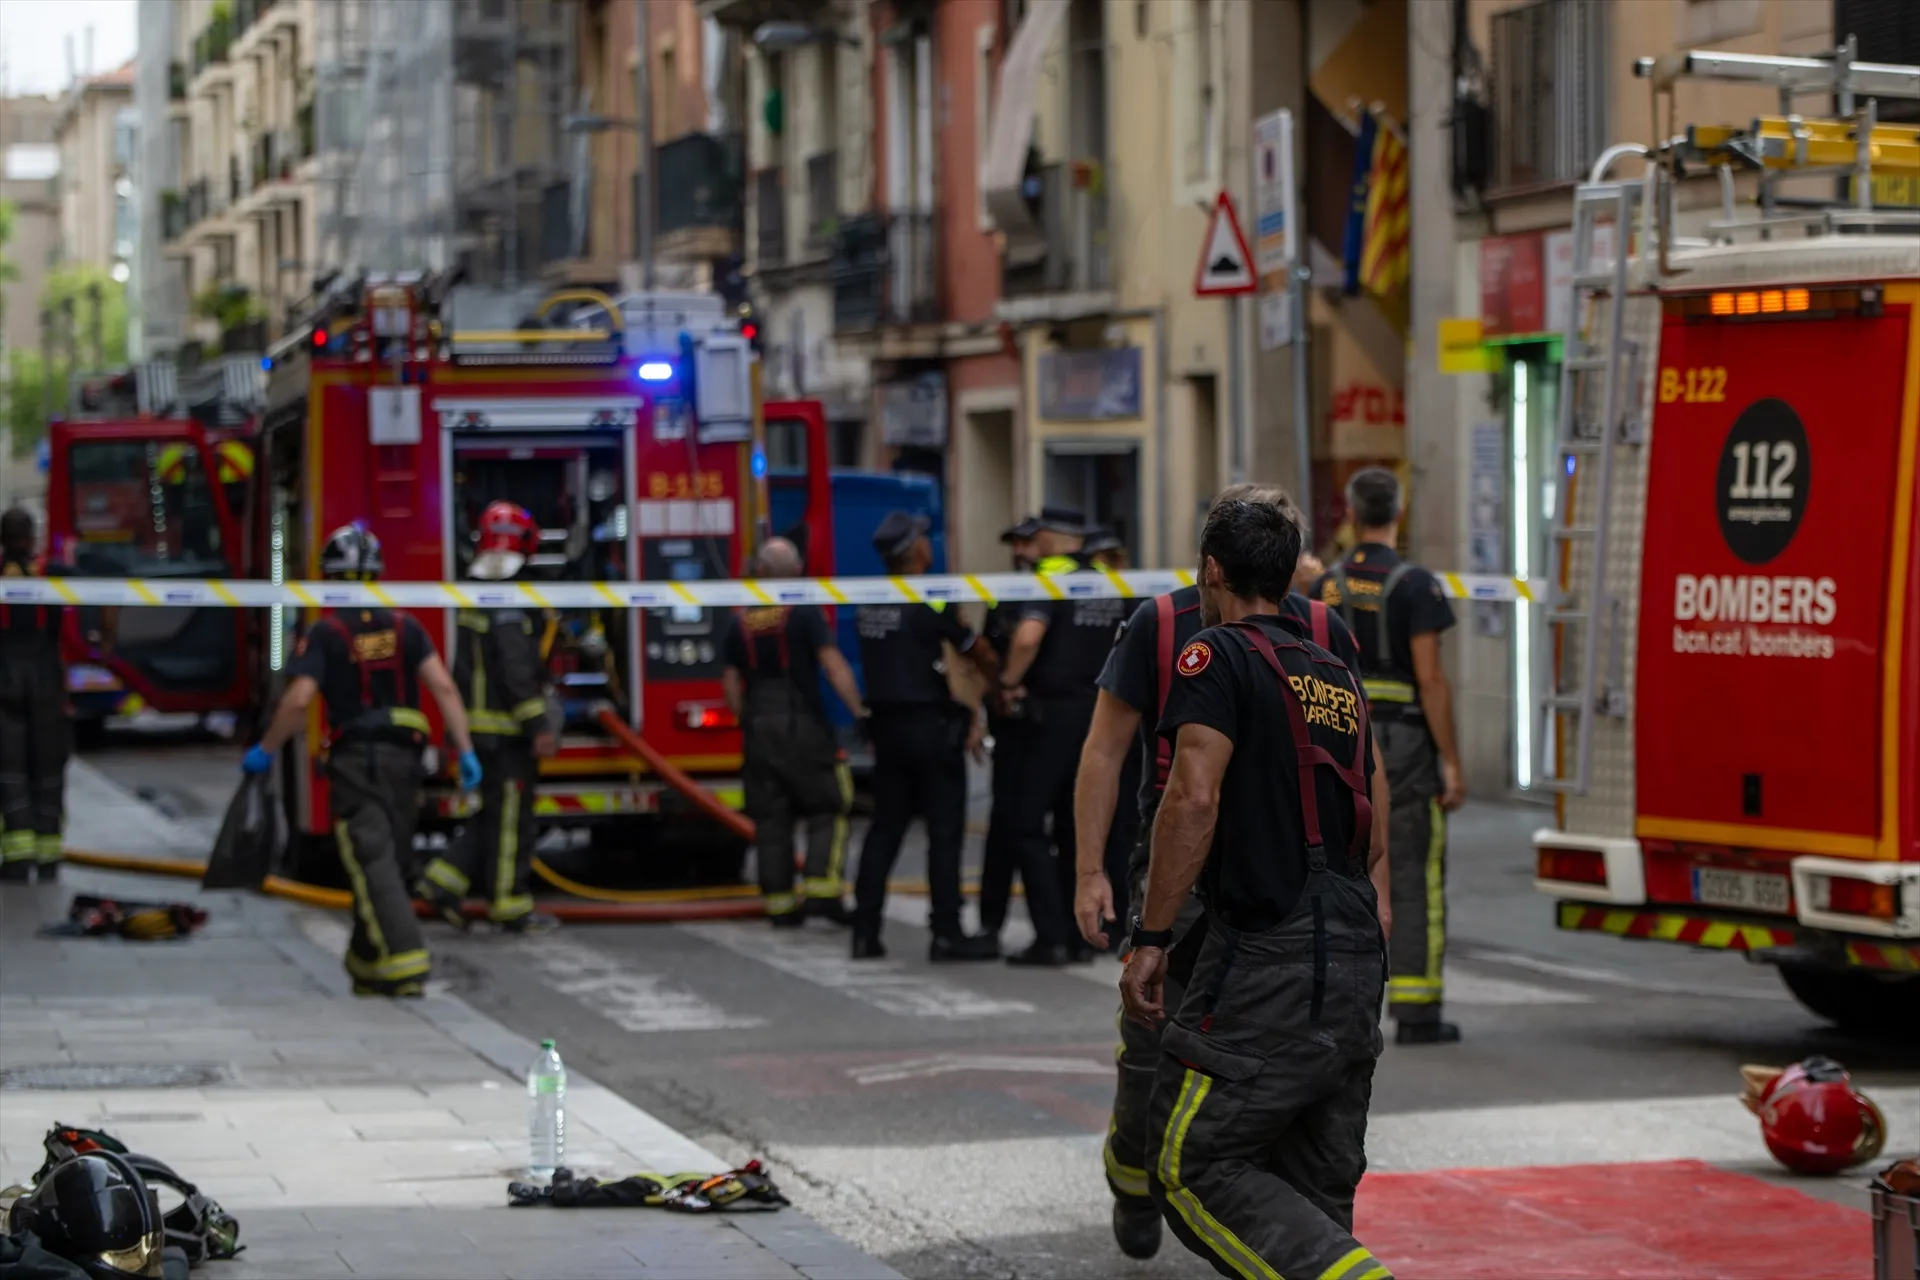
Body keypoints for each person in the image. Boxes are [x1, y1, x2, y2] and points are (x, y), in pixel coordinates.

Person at [1073, 484, 1386, 1261]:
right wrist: (1090, 871)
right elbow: (1106, 752)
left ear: (1212, 566)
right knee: (1310, 1159)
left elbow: (1194, 798)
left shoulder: (1221, 651)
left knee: (1199, 1151)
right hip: (1311, 913)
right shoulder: (1168, 627)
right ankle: (1130, 1181)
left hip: (1259, 899)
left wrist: (1151, 937)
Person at [244, 522, 479, 997]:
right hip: (406, 762)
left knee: (372, 859)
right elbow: (444, 687)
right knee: (389, 855)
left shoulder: (327, 633)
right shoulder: (406, 626)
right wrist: (466, 750)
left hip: (358, 763)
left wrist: (265, 749)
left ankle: (406, 960)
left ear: (329, 577)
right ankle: (366, 965)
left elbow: (299, 700)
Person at [1313, 466, 1465, 1045]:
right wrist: (1450, 760)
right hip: (1402, 745)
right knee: (1412, 870)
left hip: (1336, 735)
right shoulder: (1415, 585)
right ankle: (1417, 1008)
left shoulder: (1324, 586)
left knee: (1333, 866)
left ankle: (1335, 1003)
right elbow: (1431, 680)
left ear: (1351, 515)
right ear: (1399, 513)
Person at [849, 512, 1001, 961]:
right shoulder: (930, 598)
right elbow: (971, 647)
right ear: (915, 548)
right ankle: (947, 933)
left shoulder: (871, 600)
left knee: (885, 829)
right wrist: (999, 680)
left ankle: (864, 931)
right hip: (931, 728)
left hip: (886, 729)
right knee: (944, 831)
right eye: (923, 538)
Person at [418, 502, 558, 934]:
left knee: (494, 816)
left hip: (479, 731)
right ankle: (509, 905)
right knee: (513, 822)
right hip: (508, 734)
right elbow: (515, 671)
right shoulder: (511, 601)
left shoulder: (476, 593)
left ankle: (441, 883)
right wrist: (539, 724)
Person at [992, 506, 1119, 966]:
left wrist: (1008, 683)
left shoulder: (1049, 577)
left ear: (1052, 536)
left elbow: (1028, 637)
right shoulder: (1107, 580)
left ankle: (1051, 937)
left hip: (1052, 718)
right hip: (1100, 713)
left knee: (1027, 824)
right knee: (1073, 828)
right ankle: (1081, 935)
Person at [721, 537, 867, 928]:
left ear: (759, 573)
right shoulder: (804, 613)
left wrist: (746, 719)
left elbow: (731, 684)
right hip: (804, 731)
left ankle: (781, 906)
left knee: (771, 820)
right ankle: (822, 891)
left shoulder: (740, 621)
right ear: (799, 571)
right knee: (829, 805)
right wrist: (859, 711)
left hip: (759, 734)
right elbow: (833, 665)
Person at [976, 515, 1039, 940]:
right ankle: (990, 921)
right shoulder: (1004, 595)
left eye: (1025, 543)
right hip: (1009, 723)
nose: (1018, 551)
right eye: (1014, 544)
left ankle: (1058, 929)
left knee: (1033, 826)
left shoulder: (1051, 591)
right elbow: (988, 652)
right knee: (1004, 823)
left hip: (1043, 725)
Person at [0, 508, 70, 883]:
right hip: (45, 677)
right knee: (48, 768)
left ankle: (17, 860)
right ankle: (48, 858)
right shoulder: (53, 571)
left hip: (4, 676)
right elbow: (108, 592)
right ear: (31, 538)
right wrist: (106, 642)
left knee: (9, 770)